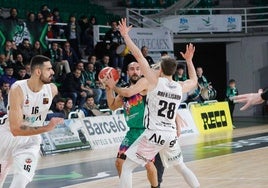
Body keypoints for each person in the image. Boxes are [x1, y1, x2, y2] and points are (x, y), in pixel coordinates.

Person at [117, 18, 200, 188]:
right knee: (181, 167)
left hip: (154, 134)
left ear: (160, 70)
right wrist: (190, 61)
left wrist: (126, 36)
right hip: (170, 135)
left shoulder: (154, 82)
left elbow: (138, 55)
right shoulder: (179, 86)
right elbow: (194, 80)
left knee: (126, 168)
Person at [0, 55, 64, 188]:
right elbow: (16, 129)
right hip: (7, 136)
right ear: (38, 72)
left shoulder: (52, 89)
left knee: (22, 179)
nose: (52, 72)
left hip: (31, 140)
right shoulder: (18, 89)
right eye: (49, 69)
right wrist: (47, 127)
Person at [104, 61, 158, 188]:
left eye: (138, 69)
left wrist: (114, 87)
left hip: (145, 132)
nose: (135, 71)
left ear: (141, 71)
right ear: (127, 72)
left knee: (149, 165)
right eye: (132, 69)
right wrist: (108, 89)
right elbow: (112, 106)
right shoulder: (125, 90)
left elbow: (129, 93)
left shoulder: (144, 84)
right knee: (119, 162)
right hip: (132, 132)